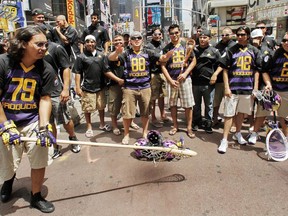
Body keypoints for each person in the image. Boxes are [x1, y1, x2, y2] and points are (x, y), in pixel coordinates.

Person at [0, 25, 56, 213]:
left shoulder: (46, 68)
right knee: (7, 161)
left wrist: (44, 126)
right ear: (23, 44)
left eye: (46, 44)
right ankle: (8, 182)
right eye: (39, 44)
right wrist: (5, 125)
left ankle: (36, 196)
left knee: (40, 156)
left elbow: (45, 98)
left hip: (31, 120)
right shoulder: (4, 63)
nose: (43, 48)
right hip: (6, 118)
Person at [108, 31, 174, 145]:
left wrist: (167, 56)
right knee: (127, 113)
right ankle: (127, 134)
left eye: (139, 38)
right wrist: (116, 52)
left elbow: (162, 58)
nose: (137, 40)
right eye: (134, 38)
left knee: (145, 112)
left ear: (142, 40)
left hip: (145, 87)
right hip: (130, 88)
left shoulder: (148, 52)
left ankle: (144, 133)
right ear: (130, 41)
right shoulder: (126, 53)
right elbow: (111, 58)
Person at [217, 26, 262, 154]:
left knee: (241, 113)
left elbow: (256, 71)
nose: (240, 37)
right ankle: (224, 139)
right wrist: (226, 87)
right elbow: (225, 69)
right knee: (229, 114)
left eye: (243, 34)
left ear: (248, 35)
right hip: (233, 88)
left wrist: (255, 88)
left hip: (247, 88)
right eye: (238, 34)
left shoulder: (254, 50)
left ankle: (237, 133)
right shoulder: (231, 50)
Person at [38, 24, 81, 157]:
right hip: (41, 93)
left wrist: (66, 89)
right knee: (48, 122)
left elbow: (65, 68)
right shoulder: (32, 51)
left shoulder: (56, 48)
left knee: (65, 120)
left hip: (56, 92)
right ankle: (56, 146)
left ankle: (73, 138)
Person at [161, 24, 196, 139]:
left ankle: (189, 127)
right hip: (172, 81)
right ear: (169, 35)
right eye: (172, 33)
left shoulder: (186, 45)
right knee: (173, 105)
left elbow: (193, 61)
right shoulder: (166, 48)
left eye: (176, 32)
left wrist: (186, 74)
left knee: (188, 105)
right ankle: (175, 126)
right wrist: (170, 80)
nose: (174, 35)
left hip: (185, 80)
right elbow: (163, 66)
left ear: (180, 32)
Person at [73, 35, 111, 138]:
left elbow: (106, 70)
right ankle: (89, 127)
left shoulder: (101, 56)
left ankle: (102, 124)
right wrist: (77, 87)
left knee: (101, 106)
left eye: (92, 41)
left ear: (95, 43)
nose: (90, 44)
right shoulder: (81, 57)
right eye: (88, 42)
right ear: (85, 43)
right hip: (87, 87)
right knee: (87, 109)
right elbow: (77, 72)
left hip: (100, 86)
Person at [192, 29, 221, 134]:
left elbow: (221, 65)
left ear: (209, 38)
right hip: (195, 82)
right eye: (201, 37)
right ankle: (196, 121)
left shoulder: (214, 51)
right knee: (196, 104)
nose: (202, 39)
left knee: (209, 105)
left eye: (205, 37)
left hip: (208, 83)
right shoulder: (194, 50)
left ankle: (208, 123)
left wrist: (215, 74)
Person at [247, 28, 273, 144]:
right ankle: (252, 125)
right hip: (247, 80)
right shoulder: (248, 49)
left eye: (259, 37)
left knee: (262, 106)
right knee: (249, 106)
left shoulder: (266, 50)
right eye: (254, 38)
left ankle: (259, 128)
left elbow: (263, 69)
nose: (257, 40)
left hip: (262, 82)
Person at [211, 27, 236, 127]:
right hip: (218, 80)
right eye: (223, 35)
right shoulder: (217, 46)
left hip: (231, 79)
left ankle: (233, 124)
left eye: (227, 34)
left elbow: (225, 62)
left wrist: (215, 73)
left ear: (232, 34)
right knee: (216, 102)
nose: (224, 37)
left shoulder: (235, 46)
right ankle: (215, 119)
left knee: (230, 103)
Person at [144, 27, 169, 128]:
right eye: (155, 34)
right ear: (152, 35)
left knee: (162, 95)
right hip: (153, 74)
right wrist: (160, 58)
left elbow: (167, 57)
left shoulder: (164, 45)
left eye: (159, 34)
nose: (157, 36)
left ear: (162, 35)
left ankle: (163, 114)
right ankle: (153, 117)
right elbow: (150, 55)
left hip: (162, 73)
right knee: (153, 97)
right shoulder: (148, 46)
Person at [104, 34, 125, 135]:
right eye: (115, 40)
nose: (118, 42)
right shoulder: (110, 54)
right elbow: (111, 59)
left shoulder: (128, 53)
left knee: (127, 106)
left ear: (124, 41)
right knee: (114, 107)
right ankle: (115, 126)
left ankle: (130, 123)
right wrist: (117, 51)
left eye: (120, 40)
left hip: (128, 85)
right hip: (114, 85)